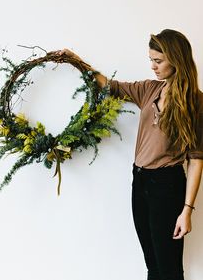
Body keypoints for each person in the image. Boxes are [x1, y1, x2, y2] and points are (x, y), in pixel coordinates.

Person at [56, 29, 203, 280]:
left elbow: (196, 159)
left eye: (158, 61)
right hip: (140, 181)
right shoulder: (148, 90)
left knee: (168, 268)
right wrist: (74, 60)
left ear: (177, 60)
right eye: (151, 60)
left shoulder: (196, 102)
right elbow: (109, 86)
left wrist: (187, 210)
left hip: (167, 187)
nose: (153, 67)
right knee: (152, 265)